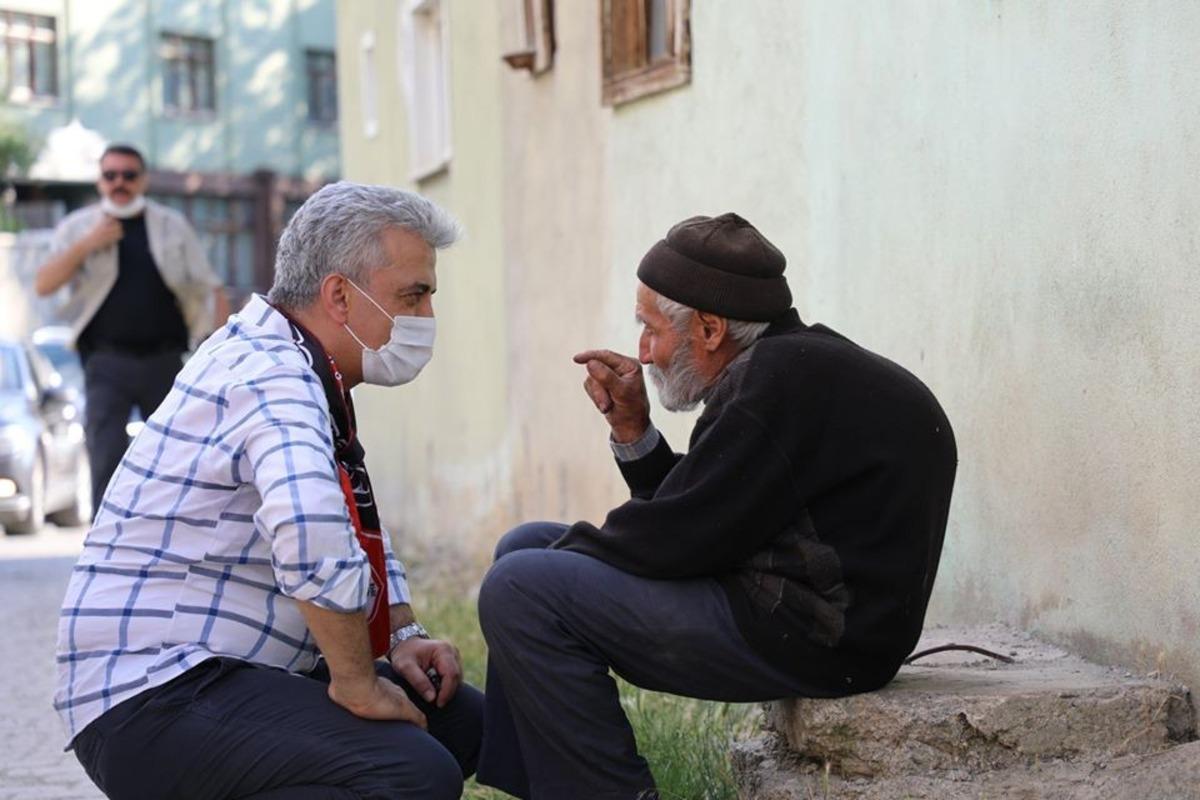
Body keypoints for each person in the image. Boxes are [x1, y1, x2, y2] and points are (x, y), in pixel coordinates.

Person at [475, 213, 958, 800]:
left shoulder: (774, 383)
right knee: (524, 548)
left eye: (651, 329)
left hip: (815, 641)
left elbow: (679, 539)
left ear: (709, 328)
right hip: (800, 613)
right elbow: (710, 510)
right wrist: (633, 431)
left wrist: (577, 551)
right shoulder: (791, 366)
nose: (644, 353)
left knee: (520, 585)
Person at [54, 182, 482, 800]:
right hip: (154, 693)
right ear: (339, 295)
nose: (426, 319)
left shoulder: (299, 362)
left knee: (461, 722)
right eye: (412, 296)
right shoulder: (272, 375)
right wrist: (357, 684)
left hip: (222, 676)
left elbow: (349, 521)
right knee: (411, 771)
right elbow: (310, 535)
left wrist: (401, 636)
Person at [34, 143, 230, 517]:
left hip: (166, 362)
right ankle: (106, 540)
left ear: (143, 181)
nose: (119, 183)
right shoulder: (79, 228)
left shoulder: (171, 225)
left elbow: (212, 287)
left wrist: (217, 356)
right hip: (106, 364)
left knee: (175, 458)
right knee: (105, 457)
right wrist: (89, 243)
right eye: (111, 175)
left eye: (128, 175)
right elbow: (44, 283)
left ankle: (173, 534)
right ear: (100, 181)